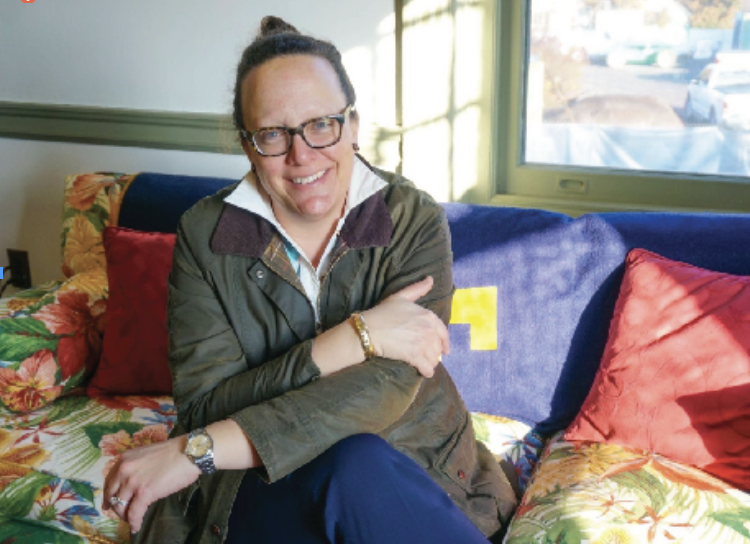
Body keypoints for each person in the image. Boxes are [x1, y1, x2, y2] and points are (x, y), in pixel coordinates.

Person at [102, 15, 516, 544]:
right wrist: (354, 338)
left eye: (322, 124)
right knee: (348, 465)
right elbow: (206, 407)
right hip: (254, 484)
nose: (302, 156)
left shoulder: (410, 218)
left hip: (404, 465)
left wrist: (197, 449)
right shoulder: (205, 235)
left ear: (354, 124)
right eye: (273, 134)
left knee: (356, 459)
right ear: (249, 144)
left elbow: (385, 387)